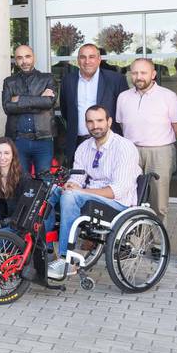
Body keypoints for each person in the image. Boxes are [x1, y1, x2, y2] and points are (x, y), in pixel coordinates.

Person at [45, 105, 140, 279]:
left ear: (109, 121)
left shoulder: (124, 147)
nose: (95, 125)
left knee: (70, 197)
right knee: (50, 191)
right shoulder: (84, 147)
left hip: (118, 204)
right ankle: (46, 249)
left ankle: (68, 260)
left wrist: (79, 191)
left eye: (99, 120)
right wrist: (71, 185)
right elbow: (77, 178)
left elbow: (117, 191)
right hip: (90, 197)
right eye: (90, 121)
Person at [115, 58, 177, 224]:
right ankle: (134, 241)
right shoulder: (123, 97)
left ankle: (158, 243)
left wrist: (158, 140)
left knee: (158, 202)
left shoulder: (168, 96)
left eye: (143, 72)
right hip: (131, 152)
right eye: (135, 73)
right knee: (130, 198)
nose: (139, 76)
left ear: (153, 74)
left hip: (160, 152)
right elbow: (123, 125)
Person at [58, 43, 128, 161]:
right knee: (78, 177)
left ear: (99, 59)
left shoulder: (116, 79)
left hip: (108, 142)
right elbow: (65, 110)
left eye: (91, 57)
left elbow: (124, 110)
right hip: (77, 142)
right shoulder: (68, 80)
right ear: (78, 60)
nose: (87, 61)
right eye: (83, 57)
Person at [2, 45, 57, 179]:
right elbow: (7, 107)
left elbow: (49, 102)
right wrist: (39, 99)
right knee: (20, 181)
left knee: (44, 182)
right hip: (18, 140)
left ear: (34, 58)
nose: (24, 61)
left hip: (43, 139)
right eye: (19, 58)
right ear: (15, 60)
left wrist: (19, 99)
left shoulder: (47, 79)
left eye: (27, 56)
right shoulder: (9, 82)